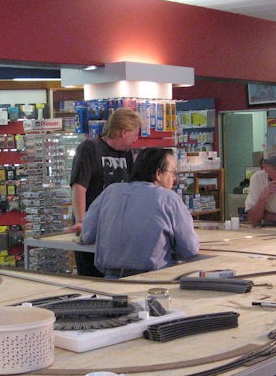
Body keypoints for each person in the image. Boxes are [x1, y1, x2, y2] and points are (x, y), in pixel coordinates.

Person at [80, 147, 199, 277]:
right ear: (159, 174)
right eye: (172, 172)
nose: (174, 179)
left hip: (111, 279)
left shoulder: (110, 192)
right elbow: (189, 249)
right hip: (151, 281)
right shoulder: (168, 198)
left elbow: (87, 235)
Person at [69, 108, 140, 276]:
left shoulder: (127, 154)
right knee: (92, 279)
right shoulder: (90, 148)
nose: (136, 139)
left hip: (116, 230)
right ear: (124, 132)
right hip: (92, 228)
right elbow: (79, 187)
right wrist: (82, 221)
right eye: (135, 134)